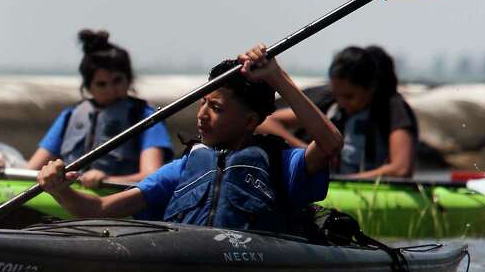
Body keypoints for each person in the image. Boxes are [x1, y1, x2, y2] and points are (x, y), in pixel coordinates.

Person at [37, 44, 343, 235]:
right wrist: (61, 191)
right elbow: (100, 210)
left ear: (251, 120)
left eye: (217, 108)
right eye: (203, 103)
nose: (203, 115)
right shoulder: (183, 169)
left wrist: (277, 77)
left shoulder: (281, 163)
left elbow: (330, 142)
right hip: (189, 256)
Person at [26, 30, 173, 188]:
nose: (110, 90)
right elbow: (32, 169)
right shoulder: (70, 116)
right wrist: (1, 168)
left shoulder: (145, 116)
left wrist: (107, 179)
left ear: (128, 79)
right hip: (70, 195)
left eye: (117, 81)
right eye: (101, 84)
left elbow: (152, 175)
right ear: (88, 87)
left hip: (118, 197)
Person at [258, 45, 417, 179]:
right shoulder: (330, 102)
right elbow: (266, 122)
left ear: (371, 88)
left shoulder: (392, 108)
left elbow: (401, 168)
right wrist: (311, 151)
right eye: (337, 95)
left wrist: (346, 181)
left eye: (350, 97)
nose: (341, 103)